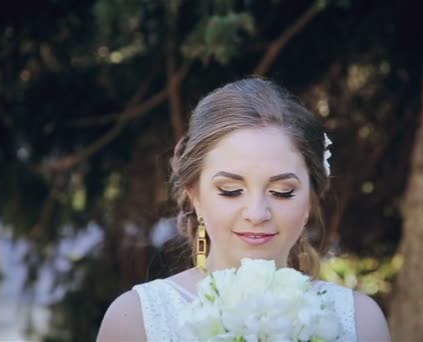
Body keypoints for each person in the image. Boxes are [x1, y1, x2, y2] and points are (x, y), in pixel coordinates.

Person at [97, 77, 391, 341]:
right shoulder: (135, 320)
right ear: (195, 197)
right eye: (231, 191)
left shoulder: (359, 321)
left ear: (310, 201)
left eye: (282, 192)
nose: (257, 213)